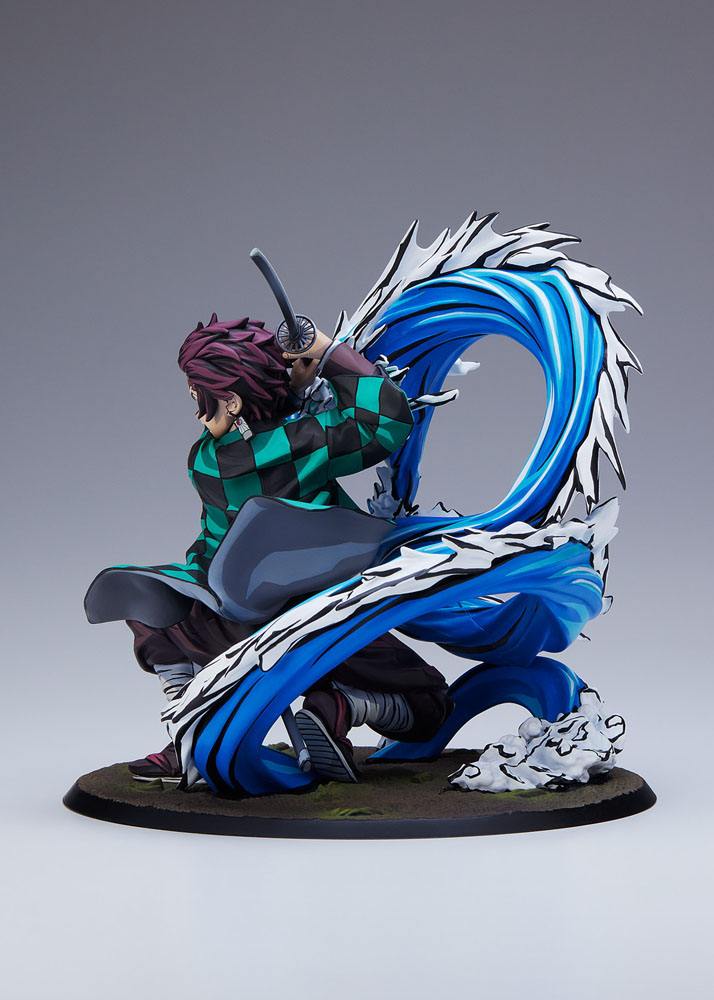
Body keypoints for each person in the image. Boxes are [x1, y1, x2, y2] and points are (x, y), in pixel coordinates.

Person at [85, 314, 453, 784]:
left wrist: (291, 393)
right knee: (430, 703)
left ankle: (188, 723)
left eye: (199, 397)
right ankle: (342, 706)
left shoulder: (206, 460)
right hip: (321, 619)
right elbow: (387, 419)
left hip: (225, 625)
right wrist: (327, 353)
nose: (197, 412)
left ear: (232, 401)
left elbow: (258, 449)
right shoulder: (307, 442)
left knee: (154, 614)